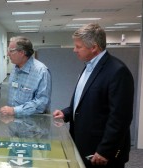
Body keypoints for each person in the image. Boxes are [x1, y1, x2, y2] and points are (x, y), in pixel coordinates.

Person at [53, 23, 134, 168]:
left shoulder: (117, 71)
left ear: (94, 47)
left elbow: (120, 118)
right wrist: (66, 113)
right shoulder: (89, 67)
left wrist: (105, 150)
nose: (74, 50)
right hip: (83, 144)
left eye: (78, 47)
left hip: (101, 153)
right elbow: (84, 102)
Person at [0, 36, 51, 115]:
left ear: (22, 53)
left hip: (32, 124)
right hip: (13, 121)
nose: (7, 54)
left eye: (11, 51)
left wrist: (15, 110)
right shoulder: (15, 68)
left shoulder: (41, 71)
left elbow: (42, 103)